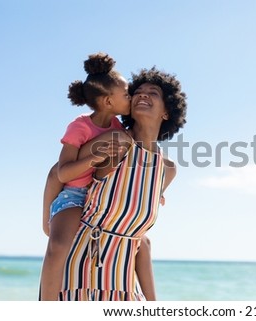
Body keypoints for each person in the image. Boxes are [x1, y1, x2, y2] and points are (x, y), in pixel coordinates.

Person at [59, 66, 187, 301]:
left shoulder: (166, 170)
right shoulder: (114, 141)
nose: (143, 95)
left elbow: (140, 237)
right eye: (137, 91)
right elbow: (58, 174)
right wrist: (48, 223)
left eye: (153, 92)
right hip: (80, 275)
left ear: (167, 112)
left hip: (124, 284)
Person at [39, 52, 132, 300]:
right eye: (126, 94)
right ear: (108, 102)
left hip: (98, 197)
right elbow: (63, 171)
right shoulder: (80, 126)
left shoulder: (117, 128)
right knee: (58, 247)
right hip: (72, 196)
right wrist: (91, 159)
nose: (130, 97)